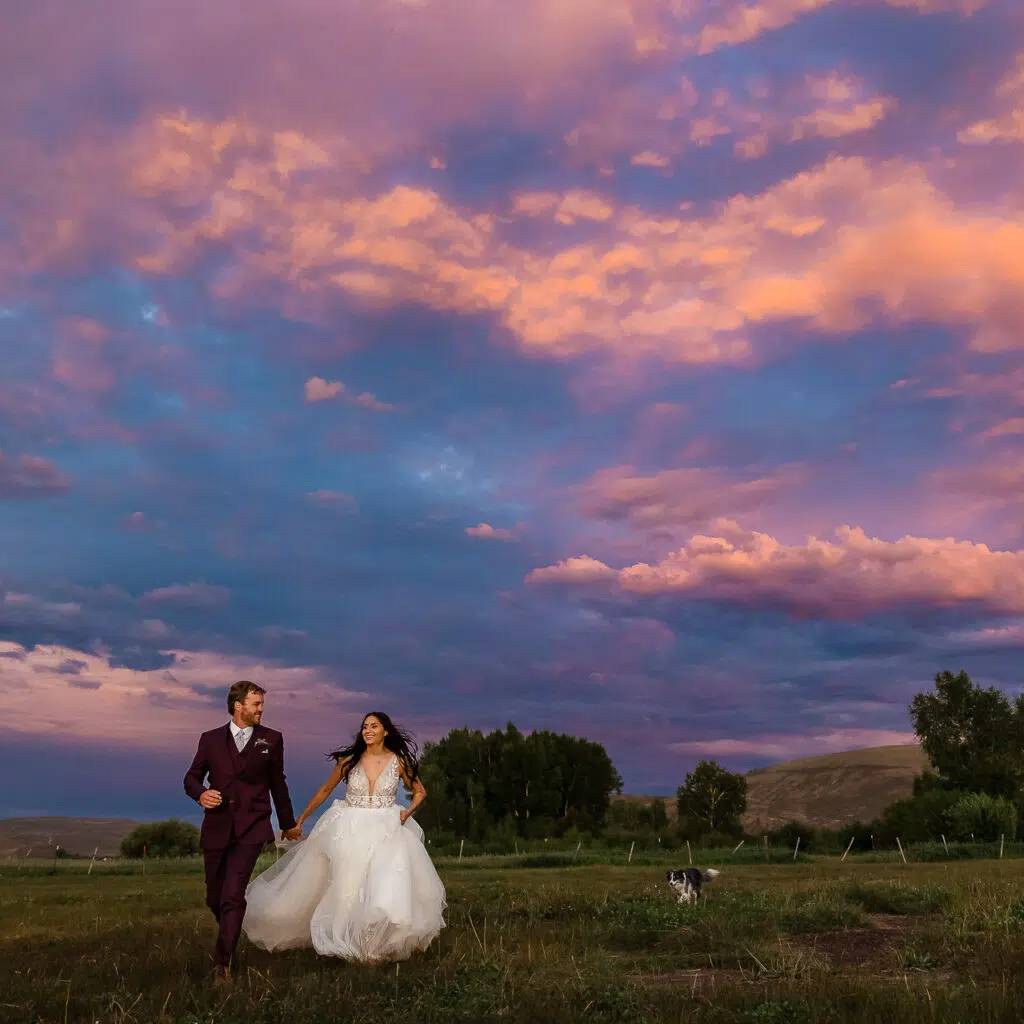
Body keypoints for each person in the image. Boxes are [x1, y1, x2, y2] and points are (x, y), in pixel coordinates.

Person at [242, 711, 446, 964]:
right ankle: (349, 941)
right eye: (364, 727)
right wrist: (301, 819)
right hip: (349, 827)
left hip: (387, 827)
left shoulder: (399, 761)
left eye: (374, 726)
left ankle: (374, 945)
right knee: (348, 885)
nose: (368, 730)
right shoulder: (349, 760)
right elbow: (325, 790)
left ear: (386, 731)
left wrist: (407, 812)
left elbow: (420, 792)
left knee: (383, 884)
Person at [183, 680, 299, 982]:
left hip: (253, 827)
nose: (261, 709)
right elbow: (191, 777)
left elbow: (278, 783)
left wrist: (287, 824)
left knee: (233, 895)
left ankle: (223, 965)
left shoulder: (272, 739)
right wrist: (201, 794)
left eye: (262, 704)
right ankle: (231, 931)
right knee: (215, 898)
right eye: (256, 704)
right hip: (217, 827)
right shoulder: (209, 740)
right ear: (238, 706)